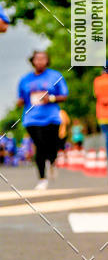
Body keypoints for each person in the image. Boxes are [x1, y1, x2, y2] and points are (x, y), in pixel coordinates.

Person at [17, 50, 68, 189]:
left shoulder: (55, 76)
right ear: (32, 61)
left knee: (51, 145)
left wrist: (50, 98)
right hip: (31, 118)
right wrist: (20, 102)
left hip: (51, 116)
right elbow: (20, 98)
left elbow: (64, 95)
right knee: (39, 146)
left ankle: (52, 161)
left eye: (43, 58)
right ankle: (42, 178)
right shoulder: (25, 79)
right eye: (37, 59)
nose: (40, 61)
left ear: (47, 60)